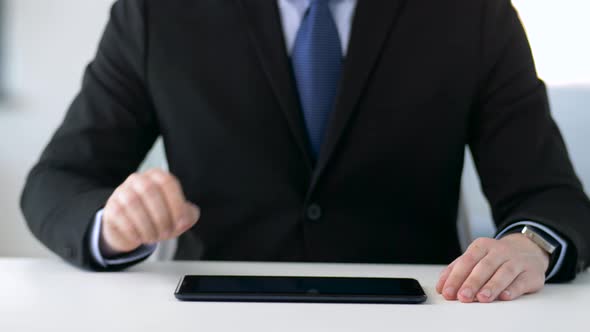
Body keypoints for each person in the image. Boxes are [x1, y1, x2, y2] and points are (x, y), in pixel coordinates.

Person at [21, 0, 590, 303]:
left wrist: (532, 244)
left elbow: (550, 196)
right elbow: (58, 180)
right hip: (217, 311)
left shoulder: (473, 14)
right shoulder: (157, 12)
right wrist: (110, 225)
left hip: (420, 313)